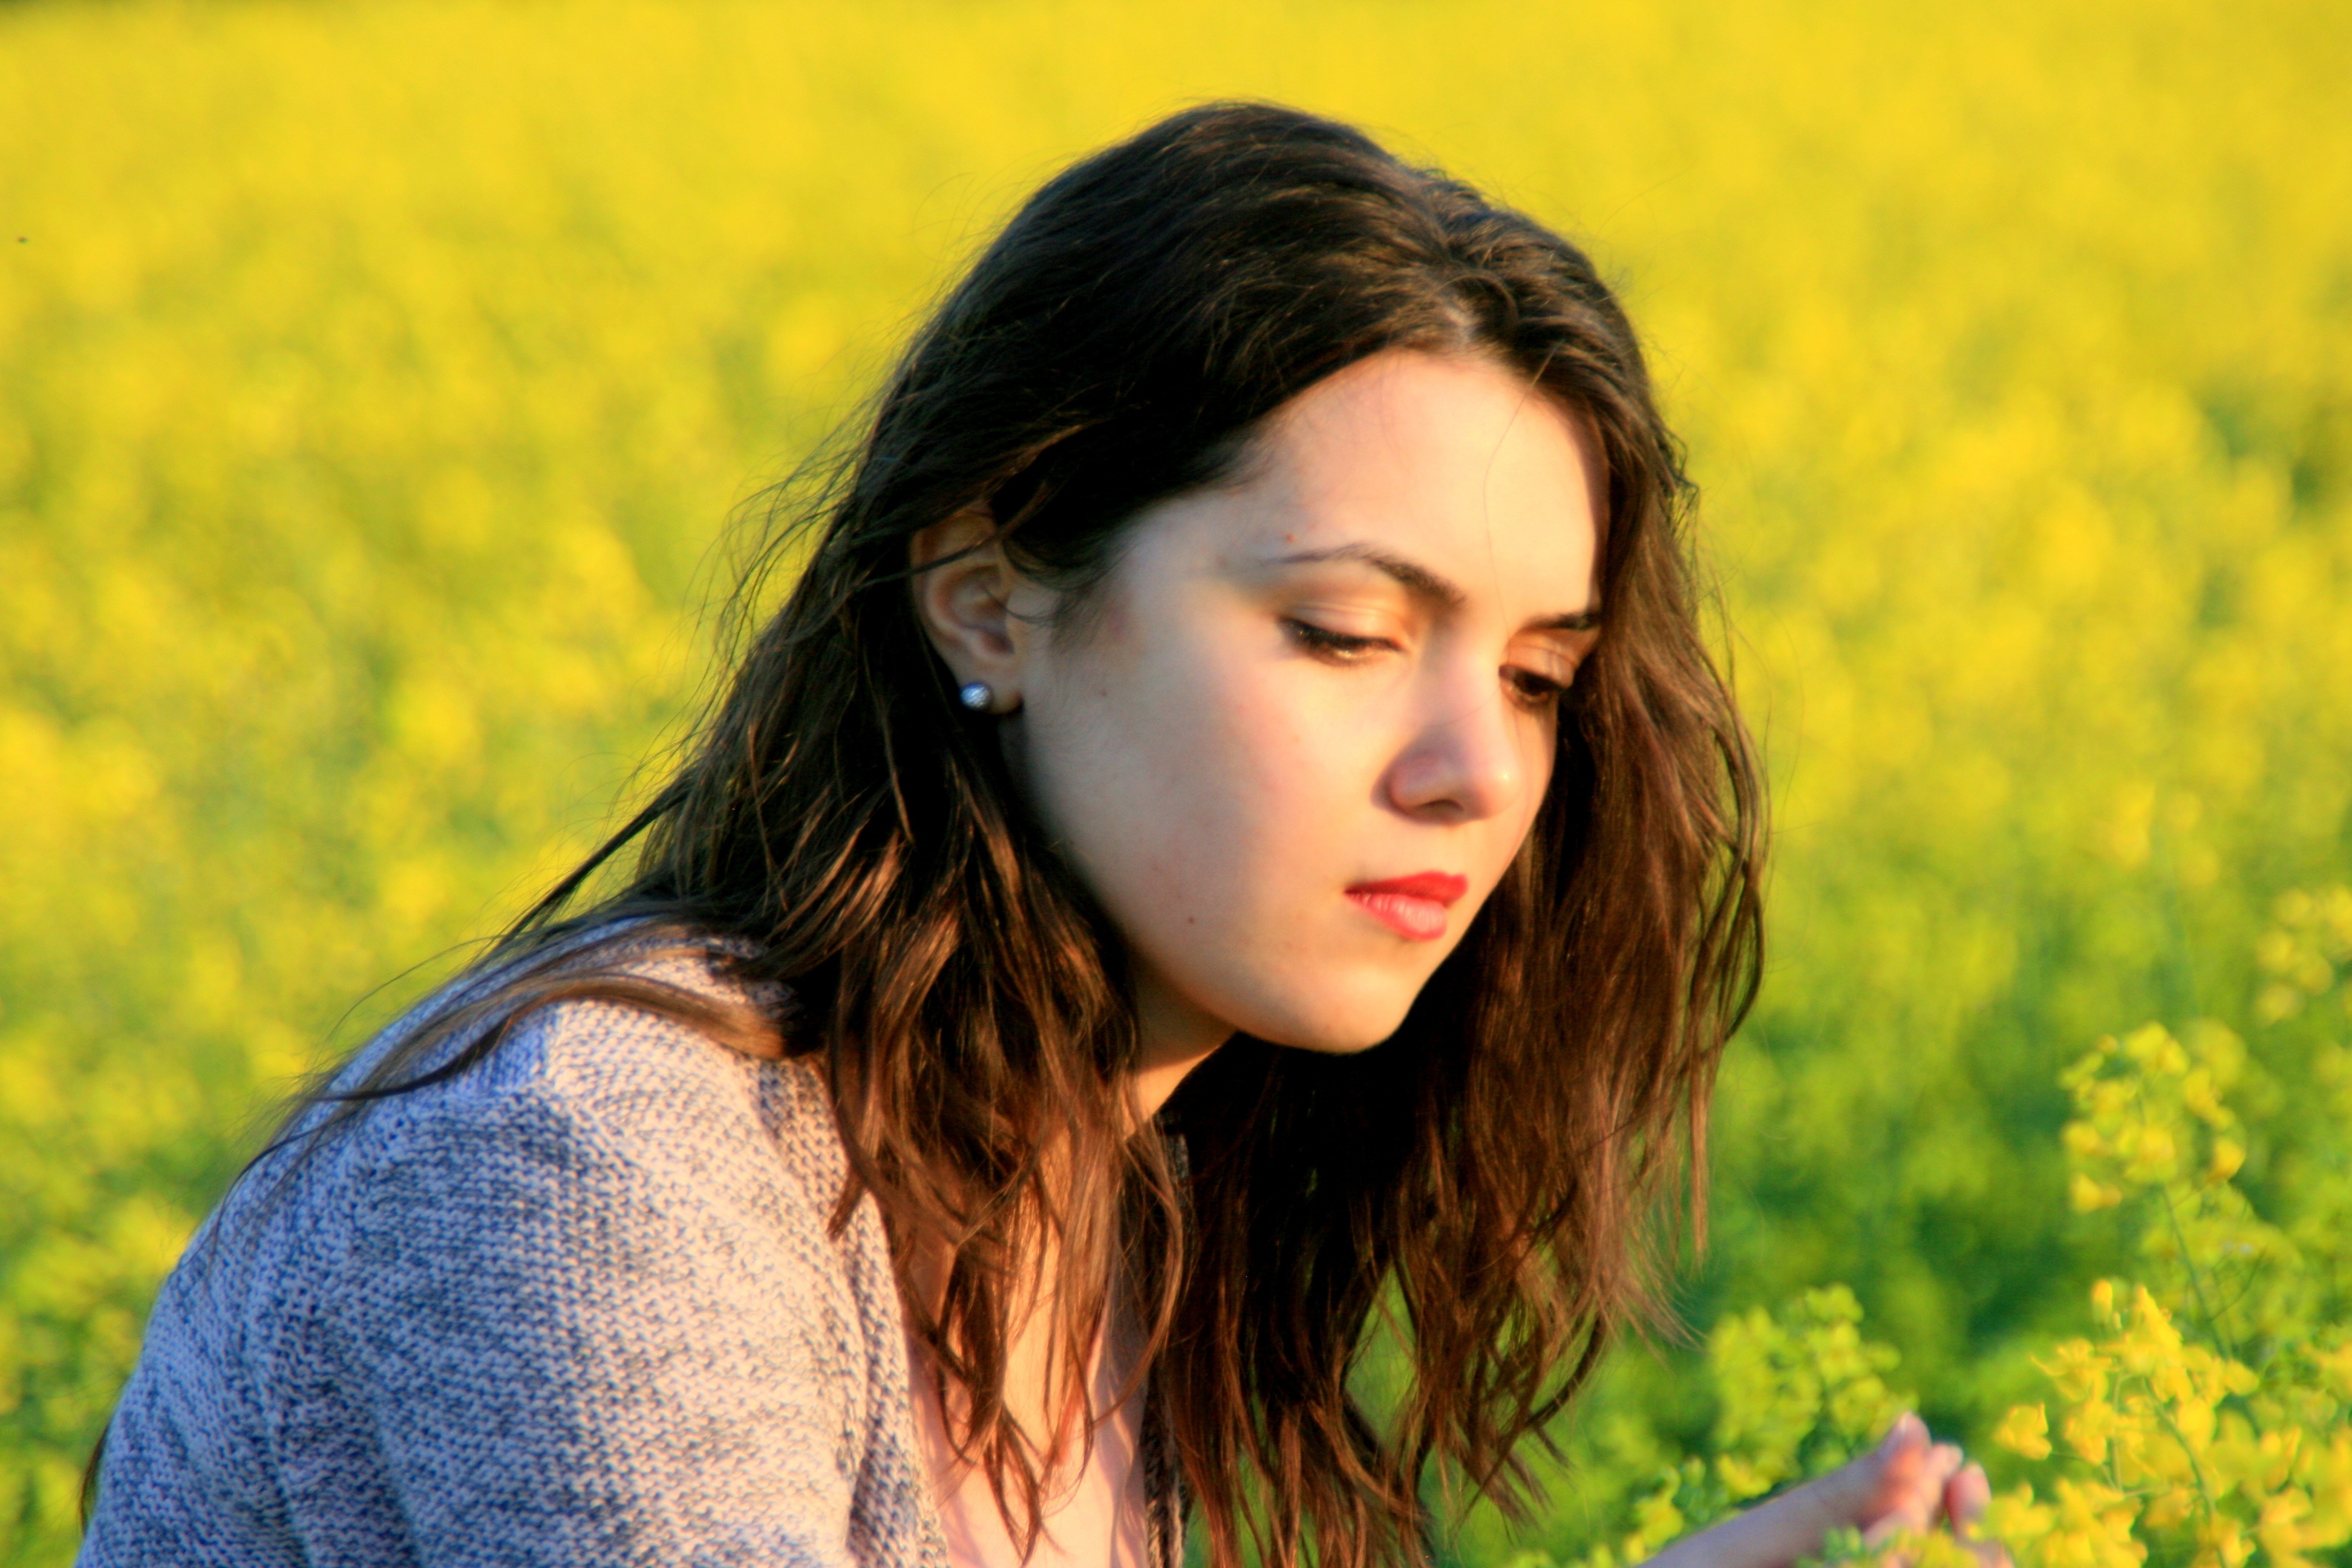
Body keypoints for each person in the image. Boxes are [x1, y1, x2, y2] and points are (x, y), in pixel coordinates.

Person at [78, 101, 1998, 1568]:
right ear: (990, 601)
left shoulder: (1121, 1206)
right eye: (1345, 631)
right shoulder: (599, 1167)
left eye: (1537, 678)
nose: (1473, 773)